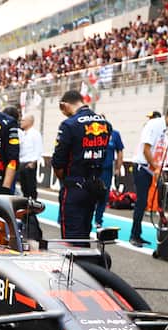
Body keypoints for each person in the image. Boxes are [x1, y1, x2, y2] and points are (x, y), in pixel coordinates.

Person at [50, 89, 111, 242]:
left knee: (71, 238)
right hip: (94, 185)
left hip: (74, 186)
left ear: (64, 105)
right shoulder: (105, 124)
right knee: (84, 233)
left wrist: (65, 180)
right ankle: (85, 264)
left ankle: (76, 265)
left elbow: (58, 161)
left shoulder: (69, 124)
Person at [129, 105, 168, 247]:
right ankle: (134, 235)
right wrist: (156, 167)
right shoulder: (154, 125)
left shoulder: (163, 130)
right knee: (141, 202)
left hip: (151, 169)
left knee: (145, 203)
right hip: (143, 168)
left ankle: (137, 234)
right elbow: (146, 149)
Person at [94, 118, 124, 230]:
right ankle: (86, 217)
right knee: (90, 194)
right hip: (93, 168)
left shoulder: (115, 134)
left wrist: (118, 167)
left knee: (104, 195)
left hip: (106, 169)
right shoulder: (92, 133)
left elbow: (120, 151)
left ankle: (98, 220)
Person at [17, 114, 42, 200]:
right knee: (24, 189)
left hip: (29, 164)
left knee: (31, 188)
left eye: (23, 120)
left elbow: (38, 149)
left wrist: (33, 162)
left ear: (29, 122)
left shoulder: (35, 134)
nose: (21, 122)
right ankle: (25, 208)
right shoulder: (22, 133)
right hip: (21, 163)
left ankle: (33, 208)